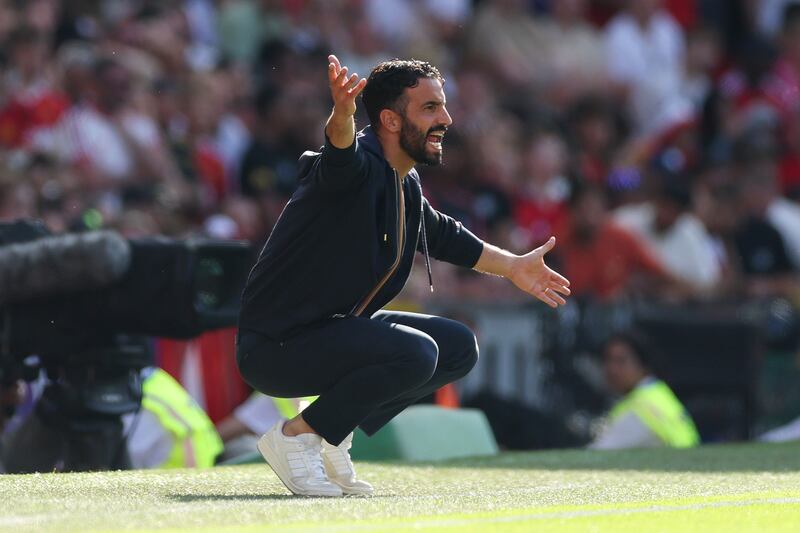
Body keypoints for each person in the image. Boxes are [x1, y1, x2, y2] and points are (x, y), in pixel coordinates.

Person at [236, 55, 571, 497]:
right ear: (390, 120)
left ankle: (332, 431)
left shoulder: (404, 183)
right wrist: (342, 114)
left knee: (456, 347)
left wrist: (512, 266)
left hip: (330, 336)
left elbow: (445, 235)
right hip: (276, 347)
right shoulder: (352, 169)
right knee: (415, 353)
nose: (446, 119)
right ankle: (298, 436)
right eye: (430, 108)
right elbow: (339, 150)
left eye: (444, 106)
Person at [589, 331, 700, 450]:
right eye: (607, 360)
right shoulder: (659, 394)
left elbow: (597, 455)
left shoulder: (640, 409)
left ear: (644, 365)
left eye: (621, 361)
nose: (612, 369)